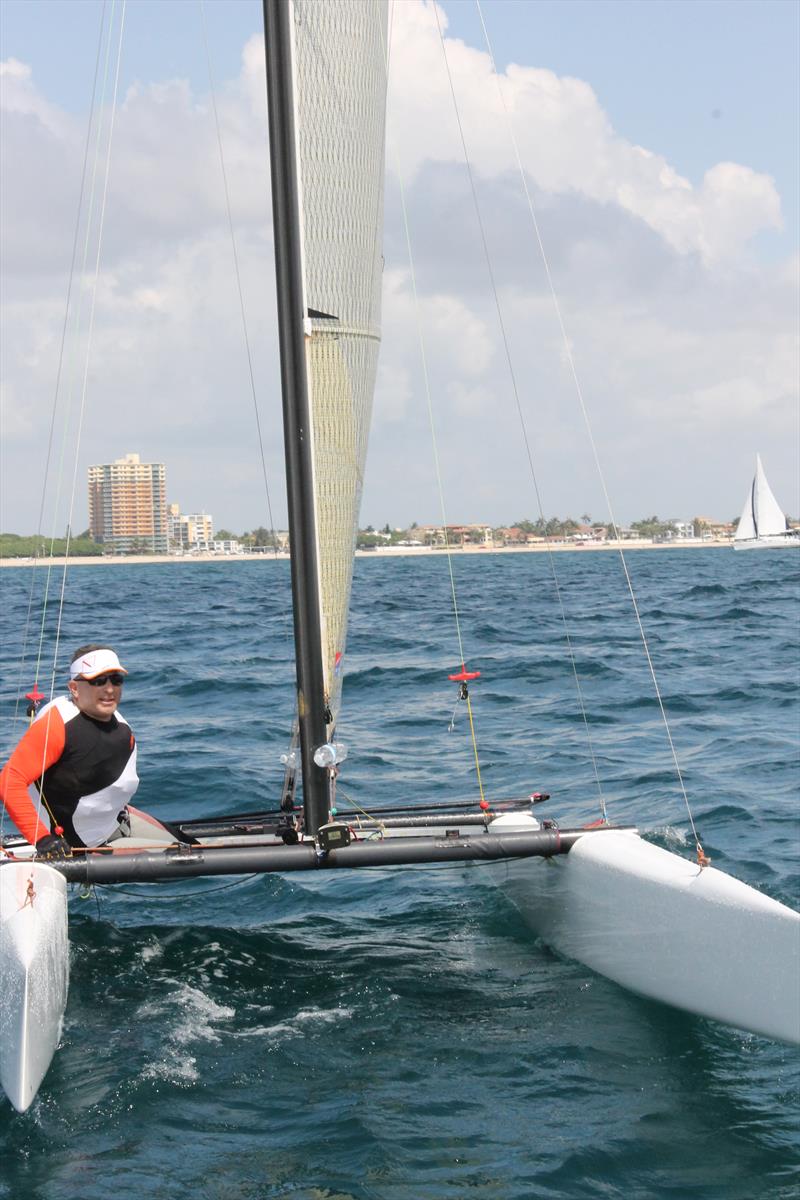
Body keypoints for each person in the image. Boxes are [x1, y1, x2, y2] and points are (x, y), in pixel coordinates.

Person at [0, 643, 174, 857]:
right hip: (80, 844)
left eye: (116, 680)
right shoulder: (56, 727)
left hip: (113, 821)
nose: (109, 689)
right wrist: (42, 839)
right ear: (74, 688)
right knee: (182, 861)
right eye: (98, 681)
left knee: (188, 845)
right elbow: (10, 780)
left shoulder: (119, 724)